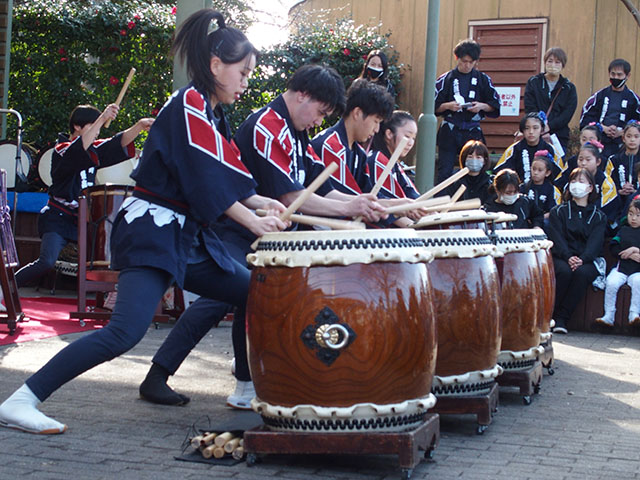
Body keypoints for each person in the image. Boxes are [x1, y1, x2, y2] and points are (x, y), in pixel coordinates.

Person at [0, 9, 288, 435]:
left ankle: (251, 386)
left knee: (255, 288)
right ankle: (21, 399)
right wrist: (253, 218)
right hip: (154, 231)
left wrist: (266, 205)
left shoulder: (210, 113)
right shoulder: (188, 104)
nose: (247, 81)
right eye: (242, 71)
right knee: (124, 333)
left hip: (185, 237)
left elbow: (233, 179)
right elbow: (204, 181)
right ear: (215, 66)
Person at [14, 104, 153, 288]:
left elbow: (115, 143)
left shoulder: (92, 149)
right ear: (77, 127)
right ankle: (5, 287)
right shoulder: (61, 149)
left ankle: (109, 297)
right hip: (58, 216)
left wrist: (139, 125)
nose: (97, 131)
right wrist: (102, 118)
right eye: (92, 125)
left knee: (107, 258)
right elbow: (76, 150)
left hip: (83, 220)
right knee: (46, 261)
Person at [234, 63, 387, 223]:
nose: (319, 122)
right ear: (303, 95)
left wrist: (371, 204)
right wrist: (347, 208)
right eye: (320, 113)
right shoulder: (267, 126)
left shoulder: (298, 132)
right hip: (249, 235)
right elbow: (290, 197)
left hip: (282, 233)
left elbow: (324, 191)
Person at [545, 167, 607, 334]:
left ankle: (562, 318)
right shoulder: (558, 212)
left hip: (586, 260)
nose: (576, 185)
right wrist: (568, 256)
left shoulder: (599, 216)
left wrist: (583, 258)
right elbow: (556, 237)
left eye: (581, 181)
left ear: (590, 187)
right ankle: (549, 316)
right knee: (564, 272)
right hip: (562, 256)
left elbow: (595, 242)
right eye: (573, 181)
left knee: (582, 273)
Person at [434, 38, 500, 183]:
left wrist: (481, 106)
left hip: (473, 130)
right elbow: (434, 107)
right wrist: (448, 106)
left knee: (475, 169)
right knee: (445, 171)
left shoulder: (483, 79)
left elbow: (495, 105)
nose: (467, 65)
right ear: (457, 58)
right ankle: (442, 202)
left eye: (471, 62)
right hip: (450, 129)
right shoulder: (446, 79)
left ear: (476, 61)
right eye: (464, 61)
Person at [580, 58, 640, 159]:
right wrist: (602, 128)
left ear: (627, 76)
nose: (616, 77)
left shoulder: (634, 100)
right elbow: (584, 119)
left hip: (624, 147)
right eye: (613, 74)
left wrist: (624, 132)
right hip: (600, 144)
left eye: (619, 75)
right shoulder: (598, 96)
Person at [595, 196, 640, 327]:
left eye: (638, 215)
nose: (634, 218)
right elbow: (614, 248)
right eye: (631, 214)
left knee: (638, 282)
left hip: (637, 271)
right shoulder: (623, 231)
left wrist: (635, 249)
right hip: (622, 267)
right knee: (612, 282)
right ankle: (609, 315)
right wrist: (630, 254)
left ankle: (634, 314)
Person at [524, 47, 577, 155]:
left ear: (563, 65)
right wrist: (540, 127)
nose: (553, 65)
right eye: (550, 61)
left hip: (559, 136)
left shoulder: (569, 88)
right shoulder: (534, 82)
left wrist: (550, 127)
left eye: (557, 62)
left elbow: (567, 114)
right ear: (545, 62)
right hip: (535, 135)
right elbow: (529, 107)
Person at [494, 112, 565, 185]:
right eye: (527, 128)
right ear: (522, 131)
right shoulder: (514, 149)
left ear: (542, 129)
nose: (531, 132)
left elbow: (559, 176)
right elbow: (500, 172)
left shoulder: (550, 149)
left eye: (535, 128)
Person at [368, 110, 420, 200]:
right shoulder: (377, 160)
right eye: (407, 136)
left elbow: (410, 192)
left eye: (413, 138)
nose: (411, 143)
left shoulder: (393, 162)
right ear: (389, 134)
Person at [575, 141, 621, 231]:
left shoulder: (606, 181)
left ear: (598, 161)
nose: (583, 163)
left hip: (601, 219)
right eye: (580, 159)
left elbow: (606, 206)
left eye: (588, 160)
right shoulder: (574, 178)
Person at [440, 139, 492, 204]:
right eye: (470, 157)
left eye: (478, 157)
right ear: (464, 159)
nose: (474, 160)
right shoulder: (455, 181)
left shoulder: (489, 183)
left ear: (485, 160)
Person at [556, 123, 603, 190]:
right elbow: (560, 181)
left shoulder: (604, 161)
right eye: (584, 139)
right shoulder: (572, 161)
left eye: (591, 139)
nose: (587, 142)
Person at [605, 120, 640, 204]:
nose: (632, 139)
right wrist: (620, 191)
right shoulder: (614, 160)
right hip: (618, 201)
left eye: (636, 136)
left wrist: (635, 191)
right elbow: (606, 182)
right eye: (629, 136)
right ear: (623, 138)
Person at [519, 150, 561, 219]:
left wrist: (539, 218)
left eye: (540, 170)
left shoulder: (551, 189)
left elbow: (553, 210)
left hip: (544, 220)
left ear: (547, 173)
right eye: (534, 169)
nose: (535, 173)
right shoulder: (523, 187)